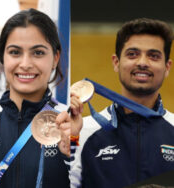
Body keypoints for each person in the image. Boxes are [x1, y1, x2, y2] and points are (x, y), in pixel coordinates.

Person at [0, 8, 75, 188]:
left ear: (55, 58)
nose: (26, 64)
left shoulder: (70, 124)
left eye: (38, 53)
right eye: (15, 52)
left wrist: (73, 151)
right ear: (2, 58)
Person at [70, 18, 174, 188]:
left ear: (167, 67)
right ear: (116, 62)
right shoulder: (83, 131)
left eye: (153, 56)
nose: (142, 62)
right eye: (132, 54)